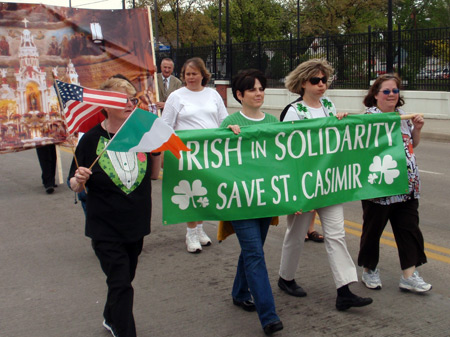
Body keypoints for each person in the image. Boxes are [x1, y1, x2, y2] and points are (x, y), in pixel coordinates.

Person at [68, 76, 161, 337]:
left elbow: (154, 176)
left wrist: (156, 152)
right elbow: (74, 185)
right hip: (105, 228)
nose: (130, 103)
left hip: (136, 223)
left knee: (123, 280)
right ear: (105, 105)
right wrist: (79, 179)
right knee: (121, 283)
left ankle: (111, 316)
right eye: (123, 99)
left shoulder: (141, 135)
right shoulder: (90, 139)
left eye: (132, 99)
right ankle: (124, 330)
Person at [277, 58, 373, 311]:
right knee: (296, 235)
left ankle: (344, 291)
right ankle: (285, 278)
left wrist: (341, 119)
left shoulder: (329, 106)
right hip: (304, 185)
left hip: (329, 184)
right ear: (302, 83)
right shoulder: (293, 112)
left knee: (336, 235)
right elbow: (286, 153)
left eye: (324, 80)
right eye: (315, 80)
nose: (321, 85)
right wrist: (292, 193)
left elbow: (338, 140)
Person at [221, 69, 283, 335]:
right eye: (252, 89)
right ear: (239, 95)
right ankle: (268, 315)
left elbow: (287, 156)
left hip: (265, 198)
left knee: (252, 249)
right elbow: (215, 159)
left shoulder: (272, 121)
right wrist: (225, 136)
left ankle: (239, 292)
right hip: (240, 201)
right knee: (256, 254)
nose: (259, 93)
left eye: (261, 88)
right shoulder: (230, 122)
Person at [357, 73, 431, 293]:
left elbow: (412, 145)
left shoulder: (402, 116)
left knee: (408, 229)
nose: (391, 95)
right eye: (386, 91)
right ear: (376, 95)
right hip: (379, 186)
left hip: (407, 186)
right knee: (373, 229)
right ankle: (369, 269)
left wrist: (417, 129)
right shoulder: (368, 118)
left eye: (395, 91)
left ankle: (409, 275)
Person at [162, 57, 228, 253]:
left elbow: (223, 120)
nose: (190, 77)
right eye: (187, 74)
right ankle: (190, 233)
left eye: (194, 73)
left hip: (210, 153)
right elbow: (166, 125)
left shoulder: (213, 95)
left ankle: (200, 229)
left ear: (203, 75)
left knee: (205, 191)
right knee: (190, 192)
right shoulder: (176, 96)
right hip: (185, 153)